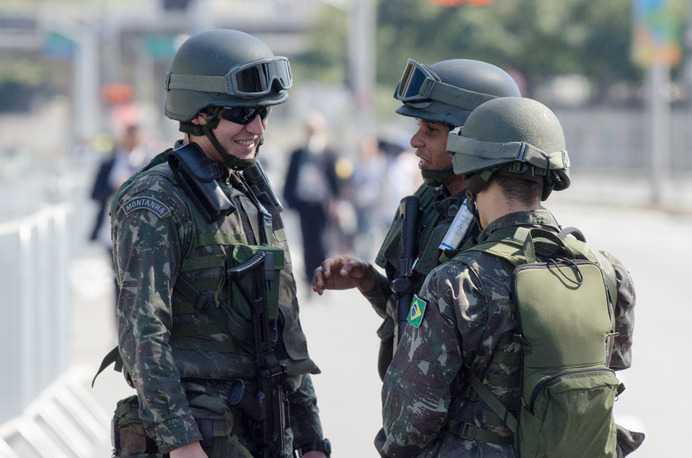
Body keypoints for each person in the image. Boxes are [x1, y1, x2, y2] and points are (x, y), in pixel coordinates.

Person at [375, 97, 643, 457]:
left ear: (475, 172)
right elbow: (611, 365)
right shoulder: (609, 273)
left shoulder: (456, 283)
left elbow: (409, 424)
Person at [108, 30, 330, 458]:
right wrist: (181, 441)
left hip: (263, 428)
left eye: (264, 112)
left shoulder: (251, 193)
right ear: (197, 114)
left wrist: (310, 437)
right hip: (199, 434)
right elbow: (142, 333)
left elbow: (285, 330)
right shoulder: (155, 202)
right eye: (242, 113)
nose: (258, 127)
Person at [312, 59, 521, 378]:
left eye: (431, 131)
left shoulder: (504, 218)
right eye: (418, 127)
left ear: (472, 138)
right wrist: (369, 281)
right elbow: (415, 314)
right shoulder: (424, 203)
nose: (415, 141)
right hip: (414, 408)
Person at [283, 111, 340, 287]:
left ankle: (325, 277)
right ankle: (309, 279)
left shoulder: (328, 152)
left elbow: (334, 179)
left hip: (322, 204)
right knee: (307, 242)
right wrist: (288, 200)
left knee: (323, 242)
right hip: (304, 203)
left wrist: (336, 202)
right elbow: (290, 178)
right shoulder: (298, 153)